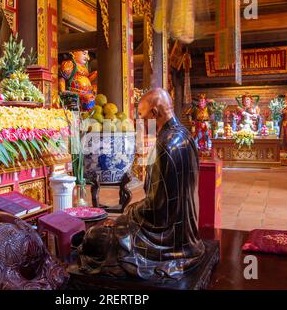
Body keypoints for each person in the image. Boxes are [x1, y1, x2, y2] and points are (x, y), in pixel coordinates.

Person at [77, 88, 205, 280]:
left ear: (155, 113)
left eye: (144, 118)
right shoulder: (185, 136)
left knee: (98, 238)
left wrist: (129, 213)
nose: (143, 124)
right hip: (186, 231)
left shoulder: (165, 144)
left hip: (166, 237)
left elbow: (157, 208)